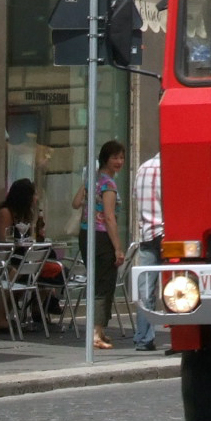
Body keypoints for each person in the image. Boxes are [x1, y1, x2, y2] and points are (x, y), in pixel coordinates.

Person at [72, 139, 126, 350]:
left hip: (86, 235)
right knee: (104, 284)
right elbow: (109, 218)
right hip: (102, 237)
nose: (119, 161)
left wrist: (86, 185)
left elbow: (75, 203)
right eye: (115, 157)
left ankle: (99, 330)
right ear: (105, 158)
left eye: (121, 157)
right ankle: (96, 332)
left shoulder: (93, 180)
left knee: (96, 281)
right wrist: (118, 247)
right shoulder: (108, 185)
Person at [0, 178, 45, 332]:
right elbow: (4, 242)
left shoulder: (23, 215)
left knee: (31, 271)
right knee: (13, 272)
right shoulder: (5, 213)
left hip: (15, 258)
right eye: (34, 195)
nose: (36, 198)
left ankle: (6, 315)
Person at [132, 152, 163, 352]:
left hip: (147, 233)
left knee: (145, 289)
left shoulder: (142, 168)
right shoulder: (168, 169)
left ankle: (143, 337)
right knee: (177, 285)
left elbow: (136, 198)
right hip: (168, 233)